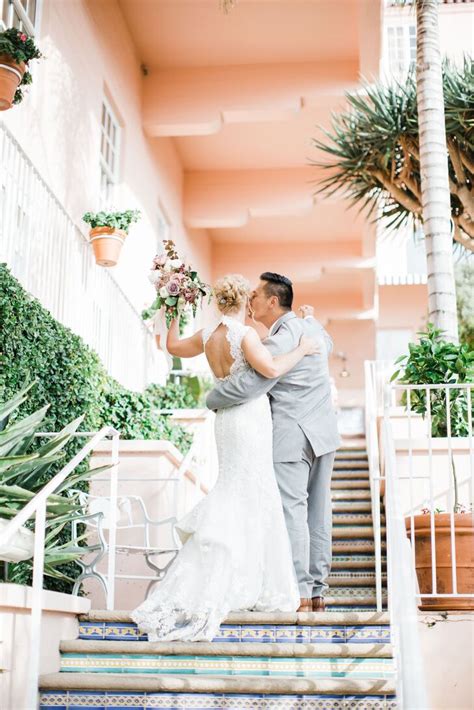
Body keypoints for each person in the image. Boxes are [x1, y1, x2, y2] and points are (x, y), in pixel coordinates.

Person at [131, 274, 318, 641]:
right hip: (250, 418)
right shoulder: (245, 335)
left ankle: (225, 571)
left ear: (217, 301)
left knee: (234, 487)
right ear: (245, 303)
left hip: (226, 422)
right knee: (255, 493)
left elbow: (171, 347)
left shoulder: (207, 335)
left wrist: (174, 309)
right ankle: (250, 582)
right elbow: (273, 368)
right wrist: (304, 347)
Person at [206, 272, 341, 613]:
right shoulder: (311, 329)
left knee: (292, 511)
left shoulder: (283, 335)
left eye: (256, 294)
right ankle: (318, 591)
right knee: (318, 512)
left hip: (291, 436)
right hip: (324, 433)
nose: (250, 300)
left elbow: (252, 383)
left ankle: (299, 591)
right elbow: (328, 343)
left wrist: (213, 397)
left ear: (272, 301)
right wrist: (310, 317)